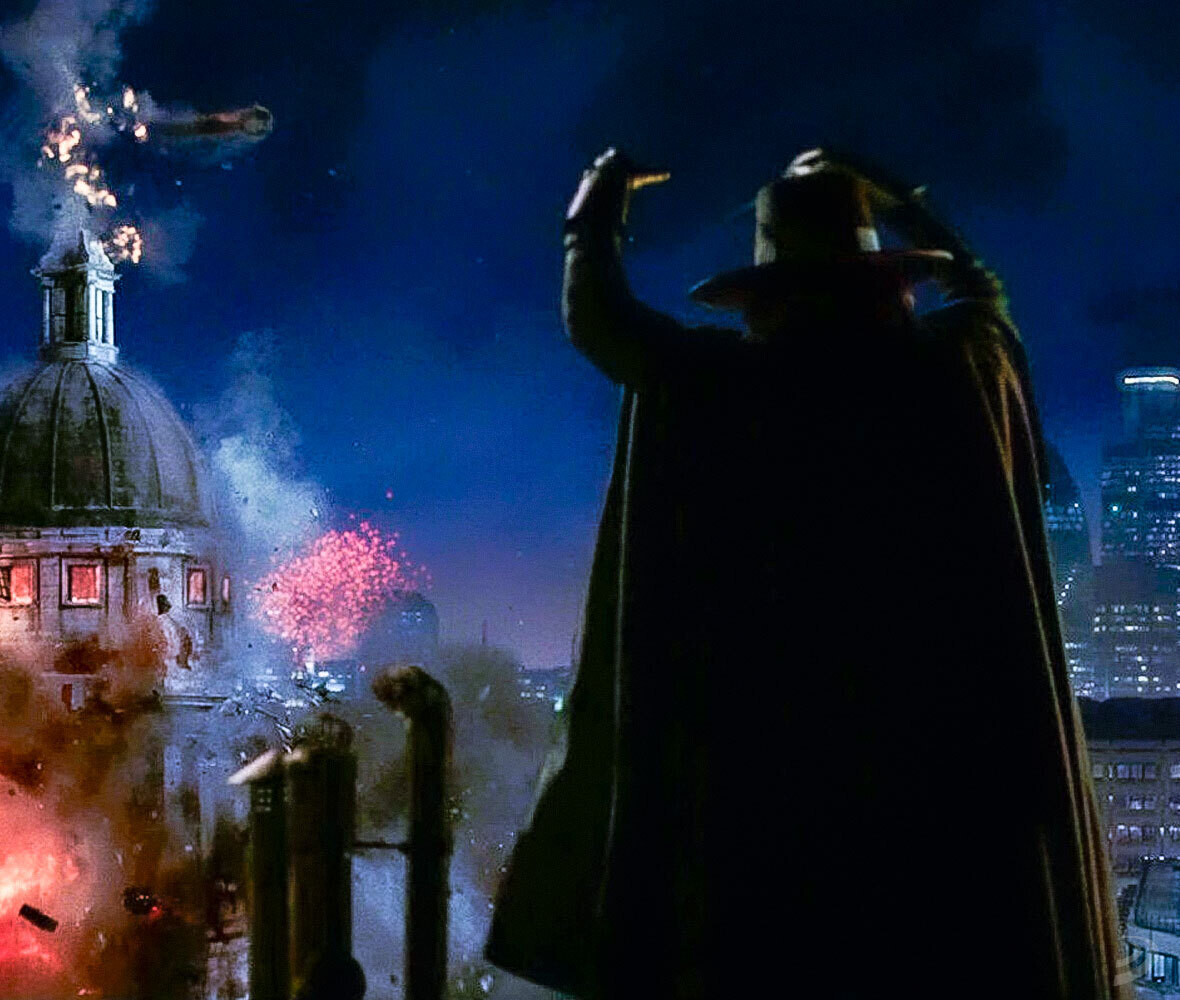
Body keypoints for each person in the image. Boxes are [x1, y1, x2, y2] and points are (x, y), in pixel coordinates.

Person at [484, 148, 1131, 999]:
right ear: (890, 284)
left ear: (767, 296)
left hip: (762, 777)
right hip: (936, 773)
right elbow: (987, 299)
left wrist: (594, 208)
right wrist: (901, 198)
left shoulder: (729, 386)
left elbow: (598, 318)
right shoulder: (950, 374)